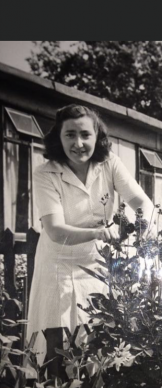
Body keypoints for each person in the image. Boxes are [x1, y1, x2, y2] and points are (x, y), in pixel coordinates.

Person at [26, 104, 155, 374]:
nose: (78, 143)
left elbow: (139, 200)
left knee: (95, 342)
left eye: (85, 134)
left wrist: (144, 226)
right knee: (56, 343)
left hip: (95, 264)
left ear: (97, 137)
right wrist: (100, 232)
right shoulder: (45, 173)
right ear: (58, 138)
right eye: (70, 135)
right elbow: (56, 230)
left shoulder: (109, 164)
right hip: (57, 266)